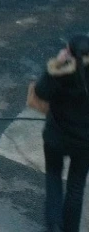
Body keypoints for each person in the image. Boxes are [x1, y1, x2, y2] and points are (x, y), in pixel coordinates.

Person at [28, 35, 89, 232]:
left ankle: (54, 224)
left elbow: (41, 92)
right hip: (85, 143)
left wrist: (56, 65)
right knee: (76, 187)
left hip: (56, 137)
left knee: (53, 177)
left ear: (69, 52)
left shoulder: (62, 71)